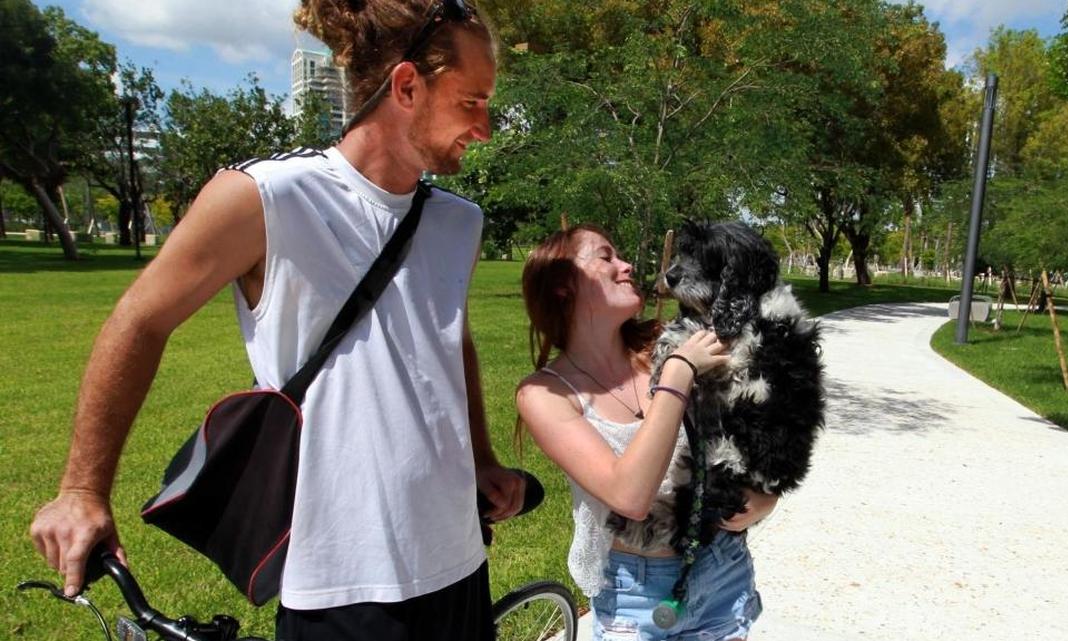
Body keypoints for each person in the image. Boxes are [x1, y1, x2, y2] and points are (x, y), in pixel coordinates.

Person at [29, 1, 525, 639]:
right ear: (406, 86)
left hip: (459, 563)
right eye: (471, 102)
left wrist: (481, 454)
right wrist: (81, 490)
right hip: (341, 581)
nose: (484, 128)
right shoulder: (266, 196)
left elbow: (449, 339)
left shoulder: (459, 222)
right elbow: (139, 321)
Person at [515, 225, 779, 641]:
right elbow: (629, 497)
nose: (627, 265)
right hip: (633, 592)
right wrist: (677, 374)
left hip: (722, 571)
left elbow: (762, 422)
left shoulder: (669, 340)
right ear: (563, 285)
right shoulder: (546, 395)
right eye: (606, 257)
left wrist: (767, 495)